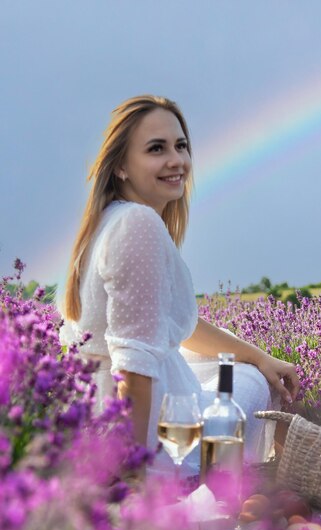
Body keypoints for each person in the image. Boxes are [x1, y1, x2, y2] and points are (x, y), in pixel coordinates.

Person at [59, 95, 300, 472]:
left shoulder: (110, 220)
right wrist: (132, 474)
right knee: (249, 385)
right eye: (156, 149)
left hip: (90, 413)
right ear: (121, 165)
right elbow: (133, 364)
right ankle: (226, 478)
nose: (176, 160)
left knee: (227, 363)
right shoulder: (137, 225)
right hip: (149, 432)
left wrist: (259, 355)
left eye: (181, 145)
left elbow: (176, 327)